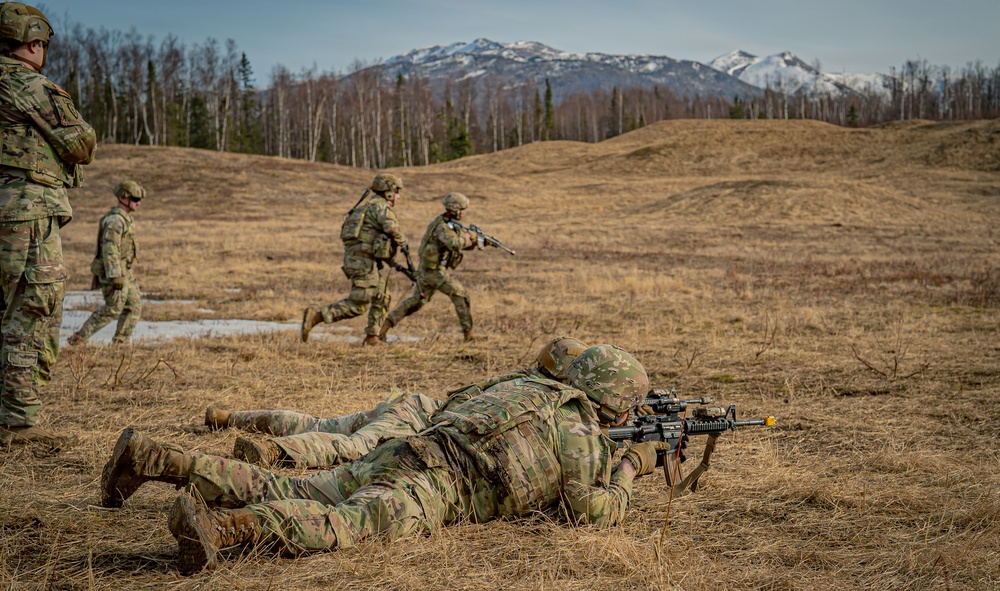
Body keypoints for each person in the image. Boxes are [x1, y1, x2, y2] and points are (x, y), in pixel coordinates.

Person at [101, 344, 665, 575]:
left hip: (406, 449)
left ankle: (159, 459)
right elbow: (588, 511)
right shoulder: (579, 427)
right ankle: (222, 531)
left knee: (291, 486)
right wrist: (632, 467)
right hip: (438, 489)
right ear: (616, 401)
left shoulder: (525, 387)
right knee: (348, 522)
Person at [215, 336, 590, 468]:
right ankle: (271, 452)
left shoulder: (516, 380)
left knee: (321, 424)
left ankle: (229, 416)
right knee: (353, 446)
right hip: (414, 419)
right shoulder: (539, 398)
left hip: (413, 404)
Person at [0, 2, 96, 447]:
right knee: (32, 308)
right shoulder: (28, 84)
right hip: (27, 208)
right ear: (32, 42)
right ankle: (17, 422)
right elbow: (81, 142)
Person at [301, 173, 409, 346]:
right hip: (363, 261)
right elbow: (391, 228)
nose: (398, 196)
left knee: (382, 296)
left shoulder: (365, 207)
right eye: (396, 192)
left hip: (361, 260)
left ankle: (373, 337)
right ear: (388, 192)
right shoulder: (381, 207)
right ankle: (316, 317)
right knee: (360, 302)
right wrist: (404, 242)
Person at [379, 192, 484, 342]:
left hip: (428, 271)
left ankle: (382, 330)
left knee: (416, 302)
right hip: (434, 273)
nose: (465, 212)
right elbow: (453, 243)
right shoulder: (442, 227)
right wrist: (470, 238)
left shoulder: (450, 224)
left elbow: (457, 244)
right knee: (461, 295)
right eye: (463, 209)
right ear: (455, 210)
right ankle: (469, 335)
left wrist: (478, 242)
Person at [67, 181, 144, 345]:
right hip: (115, 273)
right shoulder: (115, 221)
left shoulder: (125, 219)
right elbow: (110, 249)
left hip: (125, 272)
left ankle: (120, 345)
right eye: (136, 198)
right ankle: (77, 340)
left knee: (134, 306)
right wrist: (115, 276)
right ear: (124, 197)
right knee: (112, 309)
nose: (138, 203)